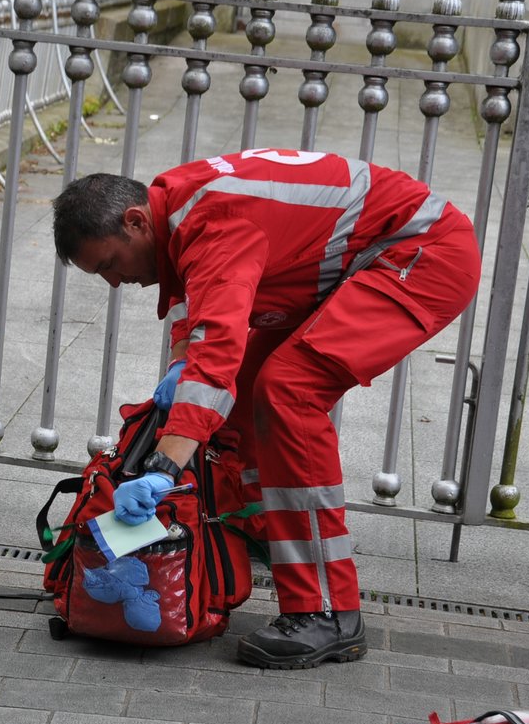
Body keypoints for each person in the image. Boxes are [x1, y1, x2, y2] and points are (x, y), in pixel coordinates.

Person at [53, 149, 481, 669]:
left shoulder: (214, 220)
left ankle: (328, 612)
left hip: (420, 254)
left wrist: (166, 467)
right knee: (242, 398)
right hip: (362, 259)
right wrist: (181, 370)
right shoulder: (178, 210)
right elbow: (204, 305)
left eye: (109, 265)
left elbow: (217, 346)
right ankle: (262, 546)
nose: (115, 283)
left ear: (136, 220)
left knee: (288, 392)